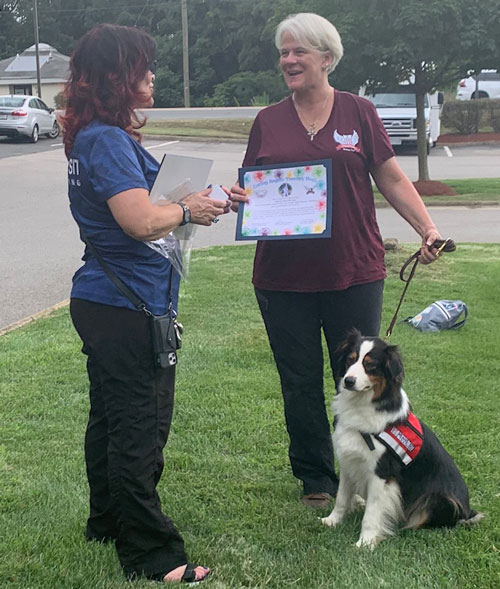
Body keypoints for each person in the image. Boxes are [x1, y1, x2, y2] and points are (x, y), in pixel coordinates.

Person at [230, 13, 443, 510]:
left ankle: (369, 468)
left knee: (357, 376)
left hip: (354, 271)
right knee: (298, 379)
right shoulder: (268, 121)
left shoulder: (359, 112)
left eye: (298, 51)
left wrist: (427, 228)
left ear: (327, 57)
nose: (288, 60)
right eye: (283, 52)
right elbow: (253, 186)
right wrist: (243, 198)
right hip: (282, 279)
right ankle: (315, 478)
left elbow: (390, 177)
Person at [63, 23, 233, 584]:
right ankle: (153, 555)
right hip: (127, 303)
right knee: (140, 426)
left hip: (105, 302)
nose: (152, 76)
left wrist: (212, 198)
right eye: (143, 67)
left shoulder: (99, 136)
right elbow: (141, 219)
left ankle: (106, 521)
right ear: (118, 77)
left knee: (110, 420)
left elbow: (159, 194)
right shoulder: (107, 141)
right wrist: (189, 214)